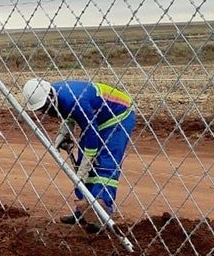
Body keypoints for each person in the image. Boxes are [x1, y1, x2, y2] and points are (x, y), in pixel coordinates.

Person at [22, 78, 136, 233]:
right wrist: (65, 132)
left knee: (104, 162)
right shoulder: (57, 94)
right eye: (41, 109)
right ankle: (85, 210)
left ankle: (101, 212)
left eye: (45, 107)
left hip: (118, 115)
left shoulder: (74, 99)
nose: (45, 112)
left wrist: (86, 163)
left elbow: (90, 130)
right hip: (97, 117)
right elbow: (69, 113)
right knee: (84, 158)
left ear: (50, 96)